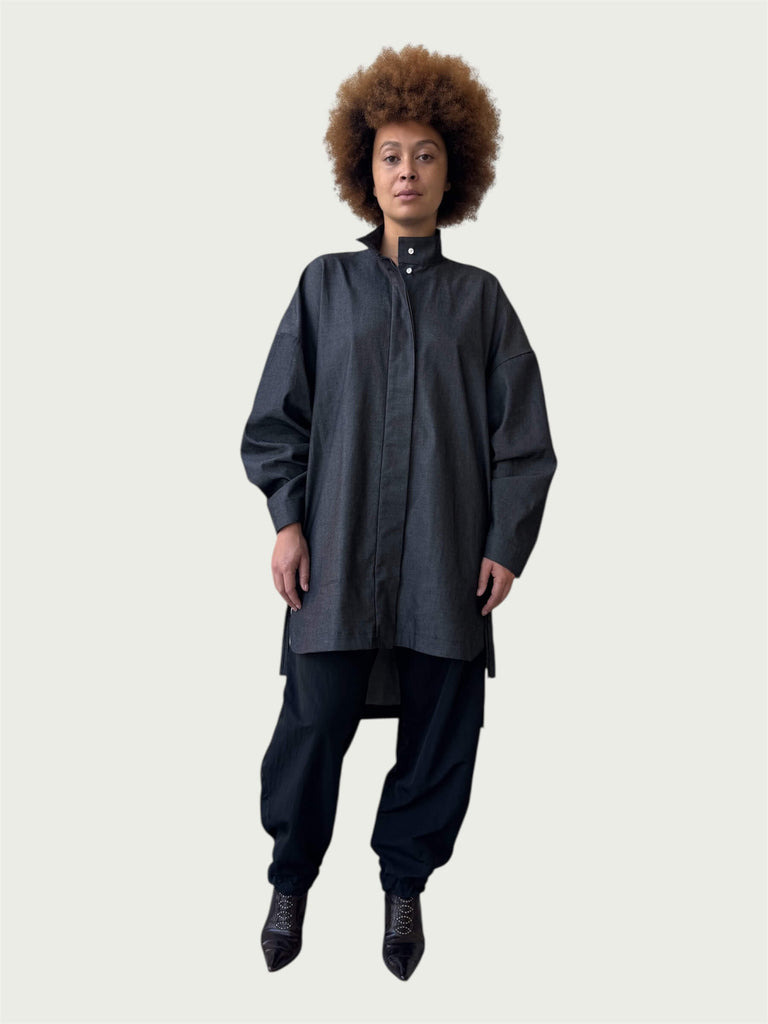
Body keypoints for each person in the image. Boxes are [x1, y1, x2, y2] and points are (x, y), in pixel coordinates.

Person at [240, 43, 557, 981]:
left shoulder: (482, 303)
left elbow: (524, 441)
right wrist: (287, 521)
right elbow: (276, 420)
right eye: (390, 155)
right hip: (335, 559)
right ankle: (290, 879)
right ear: (364, 170)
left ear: (455, 171)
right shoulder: (323, 287)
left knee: (443, 733)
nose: (407, 170)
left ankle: (404, 884)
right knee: (311, 725)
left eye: (425, 154)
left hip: (445, 561)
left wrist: (505, 545)